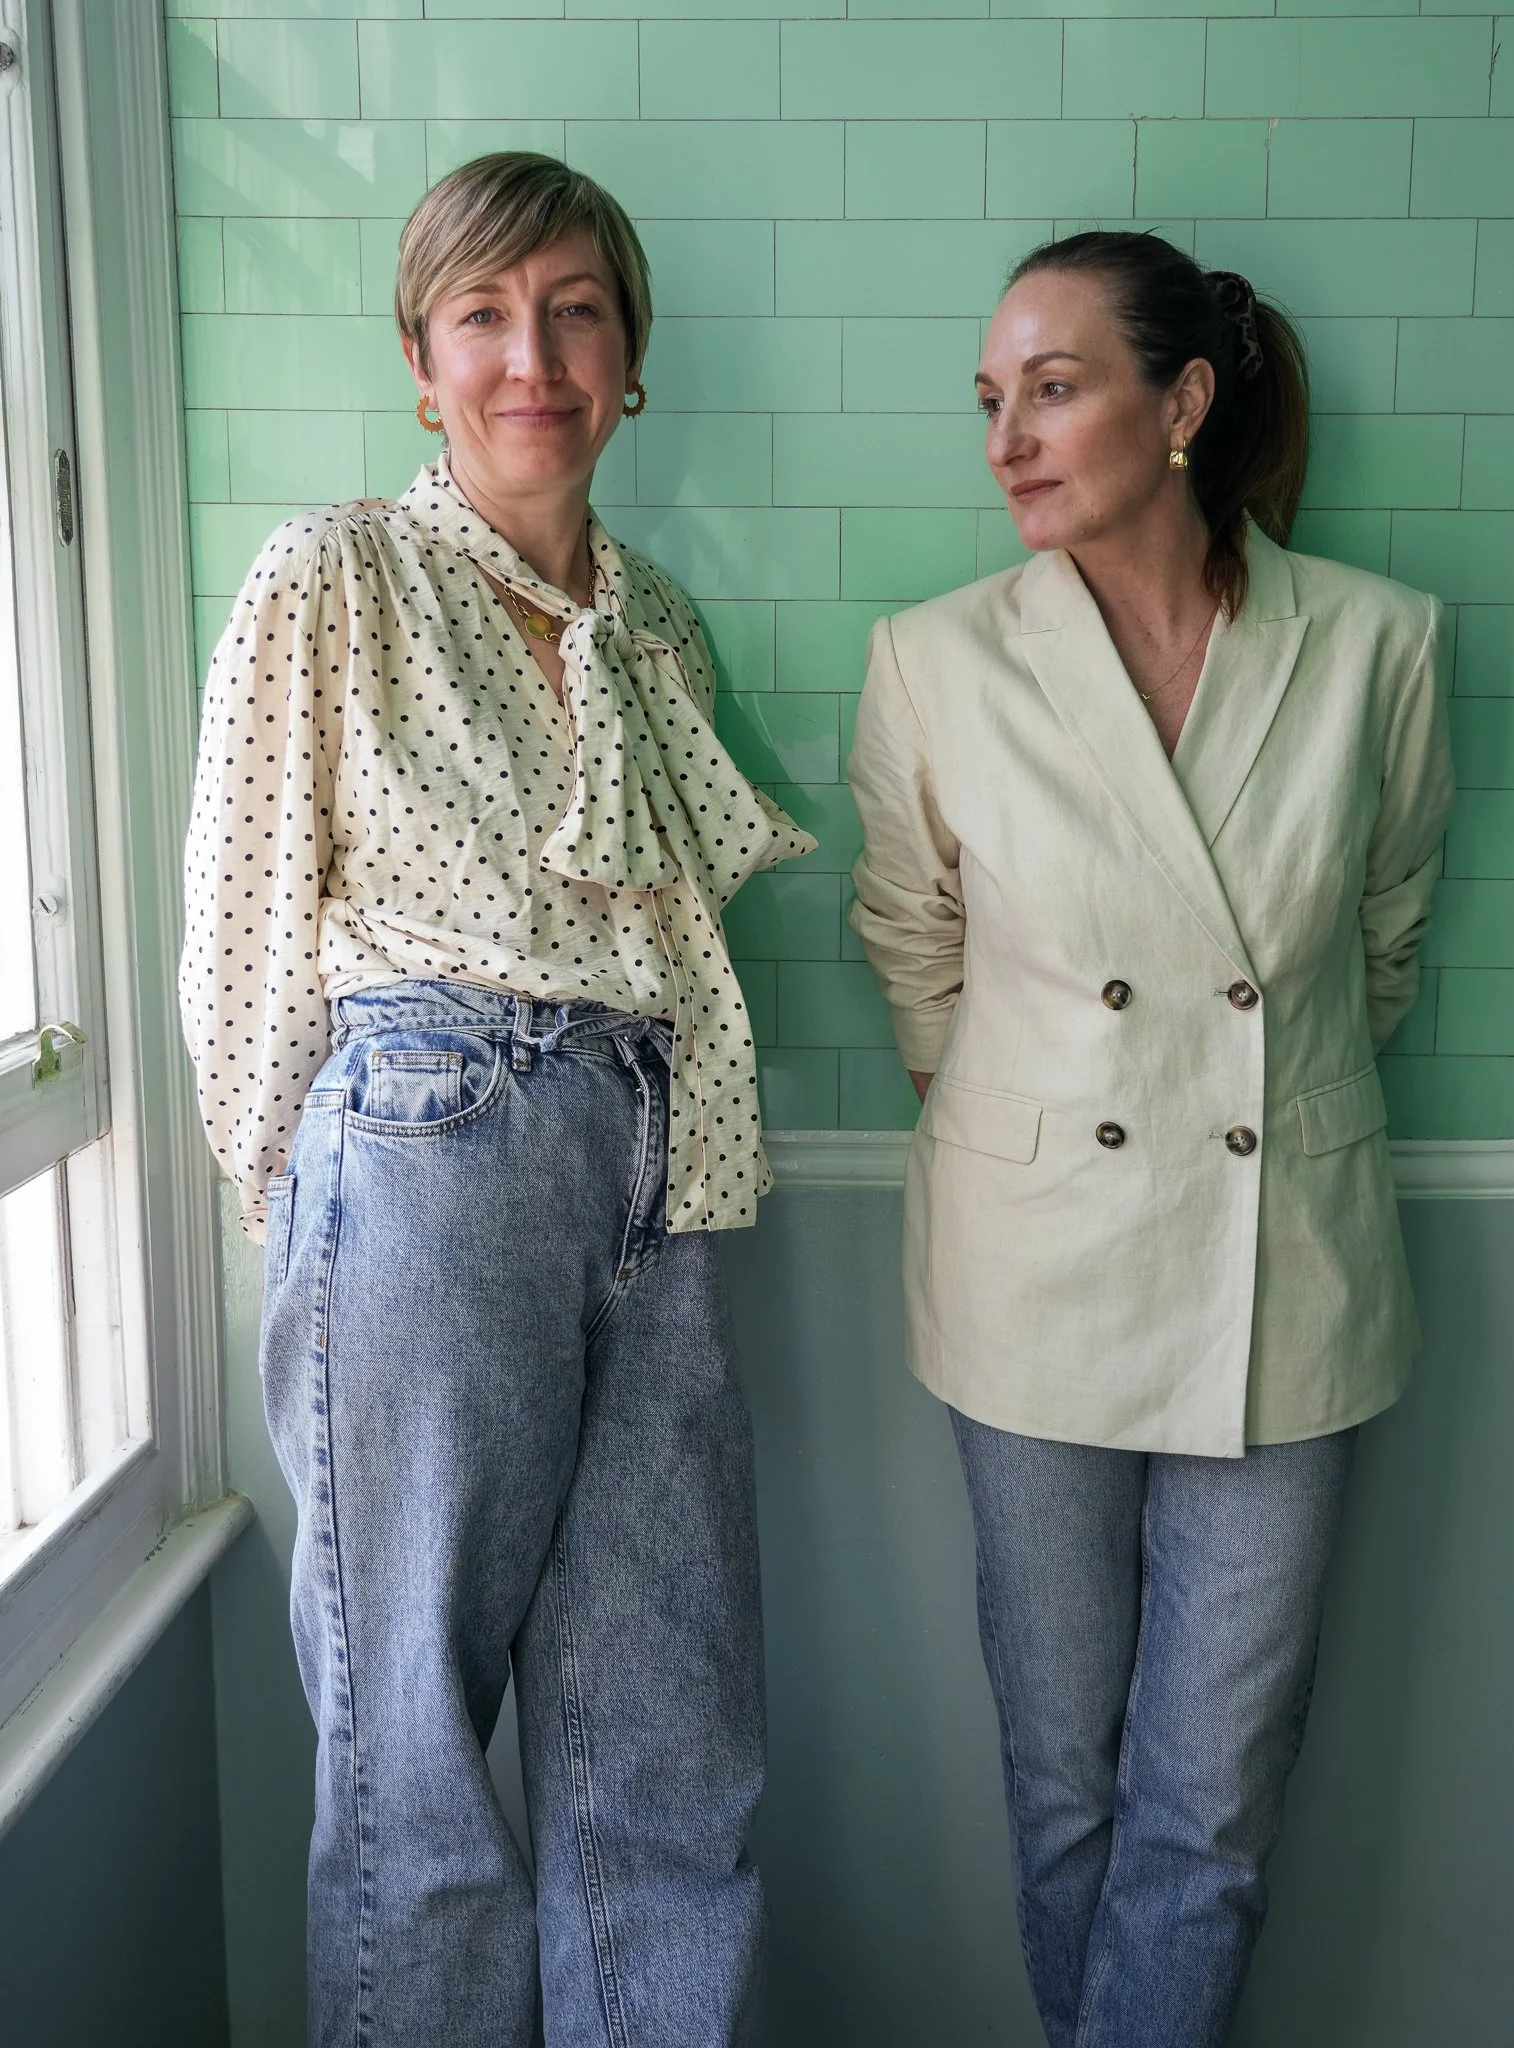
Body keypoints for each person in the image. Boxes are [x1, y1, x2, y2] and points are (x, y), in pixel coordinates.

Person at [180, 153, 811, 2048]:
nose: (530, 356)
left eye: (574, 311)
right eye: (482, 315)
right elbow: (239, 928)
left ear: (630, 360)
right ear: (419, 359)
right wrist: (296, 1214)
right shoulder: (333, 572)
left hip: (657, 1177)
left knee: (673, 1741)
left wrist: (670, 1189)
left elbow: (678, 961)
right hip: (427, 1146)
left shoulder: (665, 629)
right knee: (418, 1754)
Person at [846, 231, 1453, 2047]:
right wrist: (1034, 1133)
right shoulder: (935, 659)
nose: (1005, 439)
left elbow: (1382, 936)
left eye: (1053, 387)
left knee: (1214, 1809)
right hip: (1031, 1276)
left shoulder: (1376, 644)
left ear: (1181, 404)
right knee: (1066, 1782)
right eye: (990, 400)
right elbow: (911, 948)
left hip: (1295, 1276)